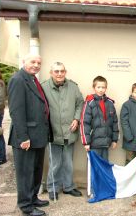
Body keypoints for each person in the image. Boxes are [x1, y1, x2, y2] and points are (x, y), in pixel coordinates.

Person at [8, 54, 51, 216]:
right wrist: (23, 137)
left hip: (38, 136)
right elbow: (16, 112)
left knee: (36, 170)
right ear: (23, 62)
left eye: (39, 63)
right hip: (26, 137)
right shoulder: (18, 80)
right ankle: (26, 206)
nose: (36, 65)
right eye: (33, 62)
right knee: (25, 173)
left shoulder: (32, 79)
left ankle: (33, 198)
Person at [41, 62, 84, 201]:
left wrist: (76, 119)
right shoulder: (43, 87)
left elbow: (80, 103)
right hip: (52, 132)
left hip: (69, 131)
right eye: (56, 71)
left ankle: (69, 187)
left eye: (62, 71)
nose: (59, 74)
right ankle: (53, 188)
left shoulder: (73, 87)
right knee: (55, 163)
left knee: (68, 162)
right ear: (51, 72)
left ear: (65, 72)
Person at [80, 76, 119, 160]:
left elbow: (115, 123)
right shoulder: (89, 102)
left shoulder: (110, 103)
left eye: (103, 87)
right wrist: (86, 142)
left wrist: (114, 140)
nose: (101, 89)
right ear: (94, 88)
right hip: (93, 143)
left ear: (106, 88)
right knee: (94, 168)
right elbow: (84, 123)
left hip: (106, 143)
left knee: (104, 167)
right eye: (98, 87)